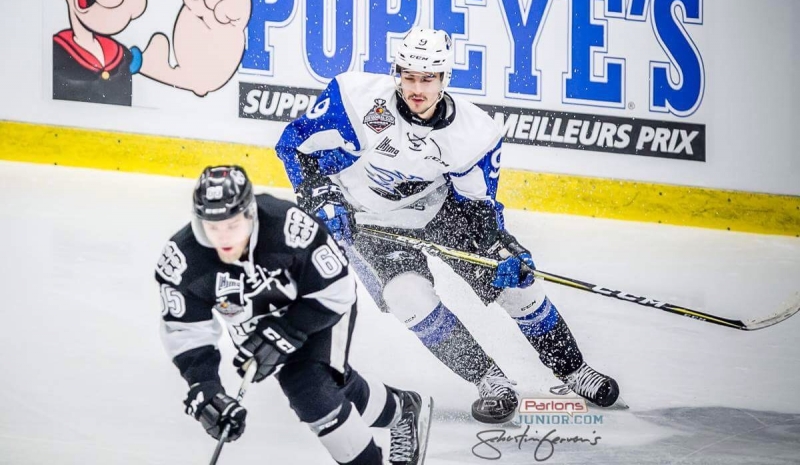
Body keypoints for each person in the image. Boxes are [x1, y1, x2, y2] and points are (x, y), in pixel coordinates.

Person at [275, 27, 620, 424]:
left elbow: (479, 208)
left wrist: (501, 247)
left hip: (440, 211)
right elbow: (294, 146)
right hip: (367, 222)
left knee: (516, 284)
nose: (416, 89)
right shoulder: (355, 100)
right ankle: (490, 380)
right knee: (407, 296)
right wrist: (320, 196)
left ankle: (574, 370)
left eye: (428, 79)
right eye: (408, 77)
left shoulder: (474, 132)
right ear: (396, 73)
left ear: (445, 78)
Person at [157, 165, 433, 465]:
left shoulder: (288, 227)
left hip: (320, 305)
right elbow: (186, 332)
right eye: (213, 227)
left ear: (249, 214)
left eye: (232, 225)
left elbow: (336, 289)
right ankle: (401, 410)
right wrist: (205, 387)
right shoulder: (183, 261)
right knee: (331, 383)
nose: (223, 238)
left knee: (307, 386)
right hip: (259, 324)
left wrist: (287, 330)